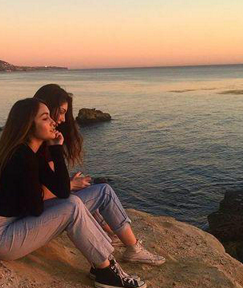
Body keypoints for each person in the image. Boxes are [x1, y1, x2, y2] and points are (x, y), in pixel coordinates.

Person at [0, 97, 147, 288]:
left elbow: (63, 191)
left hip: (12, 223)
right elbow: (36, 208)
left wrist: (56, 148)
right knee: (72, 206)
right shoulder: (21, 157)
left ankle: (104, 261)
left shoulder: (32, 153)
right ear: (28, 125)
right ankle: (106, 271)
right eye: (45, 118)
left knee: (80, 198)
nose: (53, 122)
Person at [33, 84, 165, 266]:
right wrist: (69, 185)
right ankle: (133, 249)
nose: (63, 119)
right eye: (61, 112)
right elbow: (39, 194)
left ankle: (111, 234)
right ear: (47, 109)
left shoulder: (35, 143)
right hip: (39, 216)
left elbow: (43, 184)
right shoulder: (41, 148)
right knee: (104, 191)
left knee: (87, 190)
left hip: (42, 212)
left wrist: (68, 184)